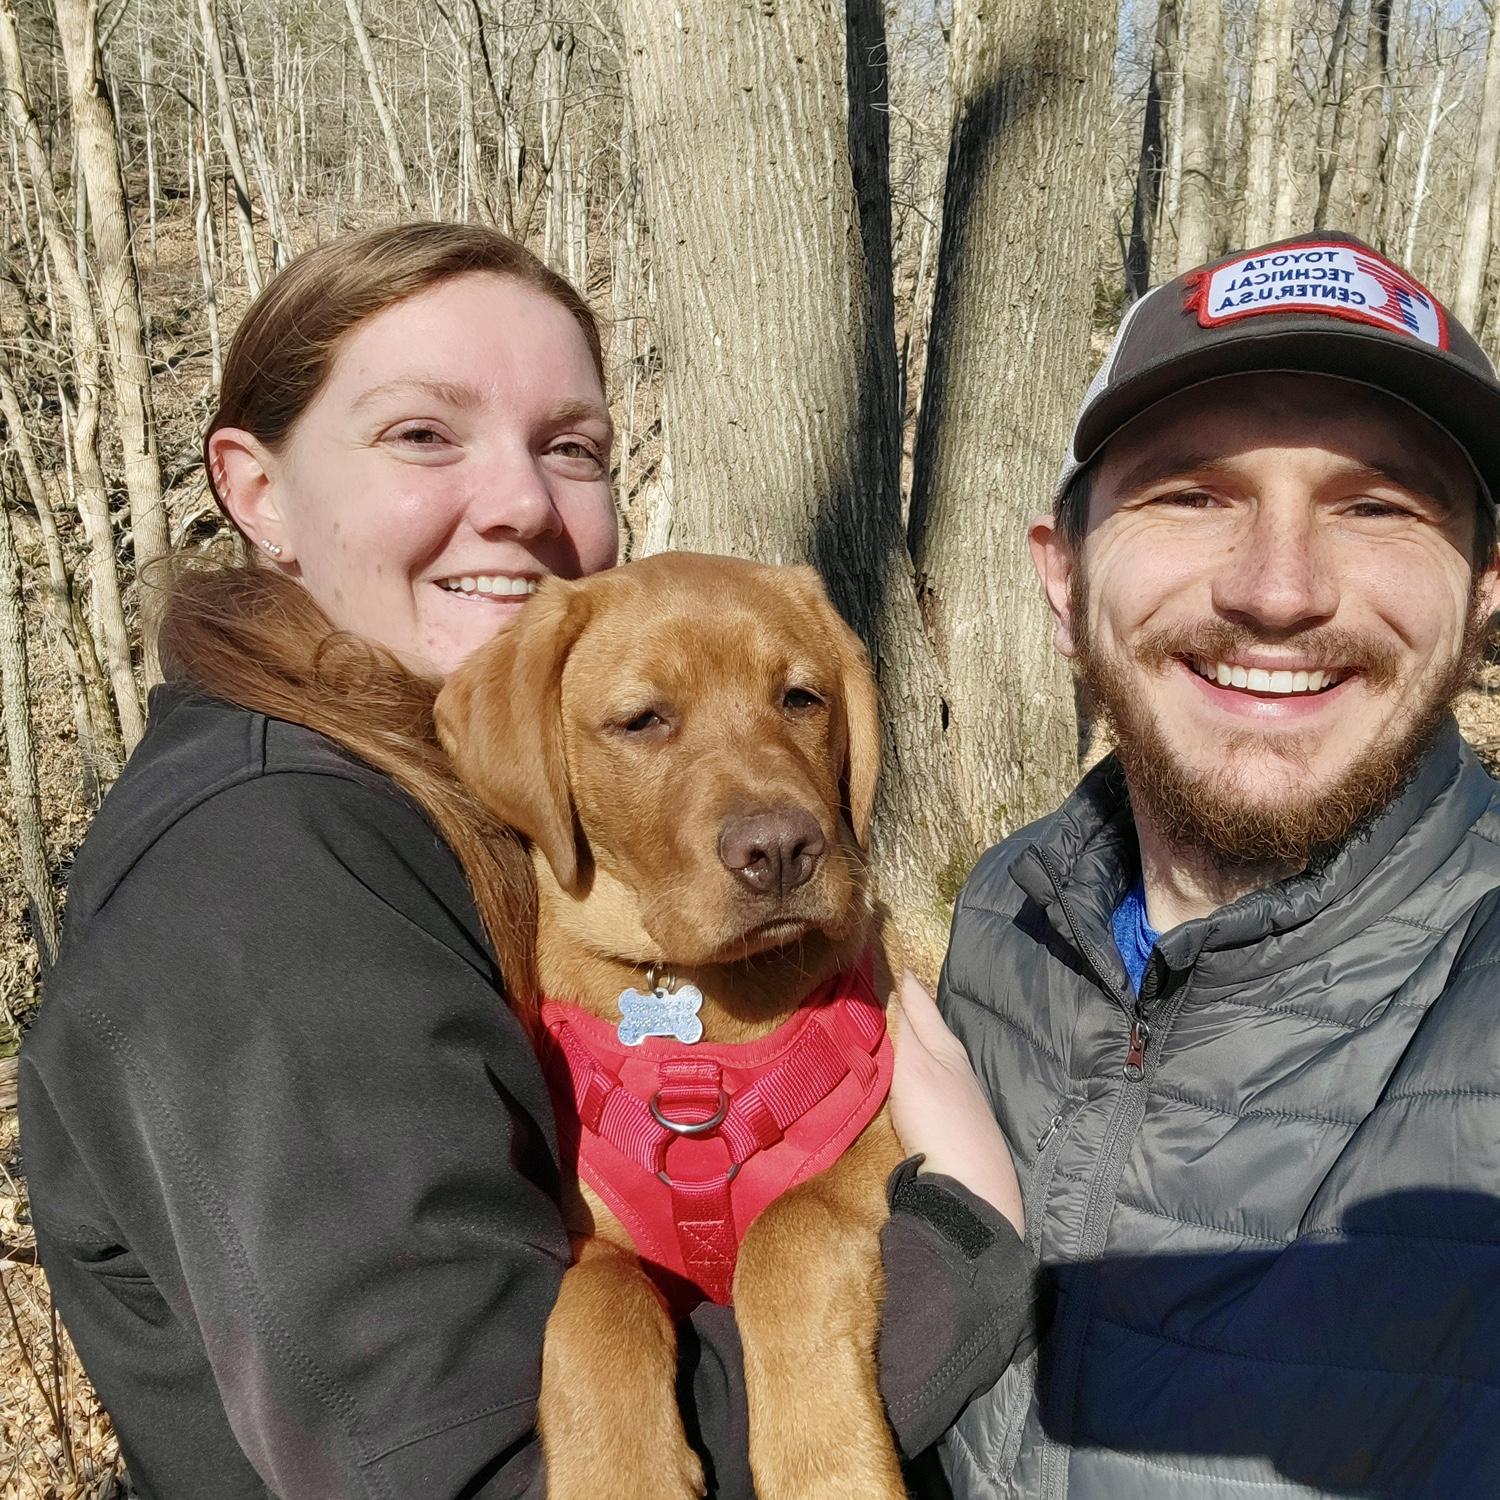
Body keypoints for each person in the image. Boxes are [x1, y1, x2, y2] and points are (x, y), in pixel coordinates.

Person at [19, 222, 1037, 1500]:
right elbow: (469, 1465)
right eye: (421, 435)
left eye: (572, 448)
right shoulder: (259, 877)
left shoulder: (418, 801)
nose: (517, 501)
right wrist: (961, 1245)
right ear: (257, 488)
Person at [934, 229, 1500, 1499]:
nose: (1280, 591)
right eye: (1191, 493)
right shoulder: (1005, 916)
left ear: (1485, 587)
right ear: (1064, 574)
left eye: (1377, 506)